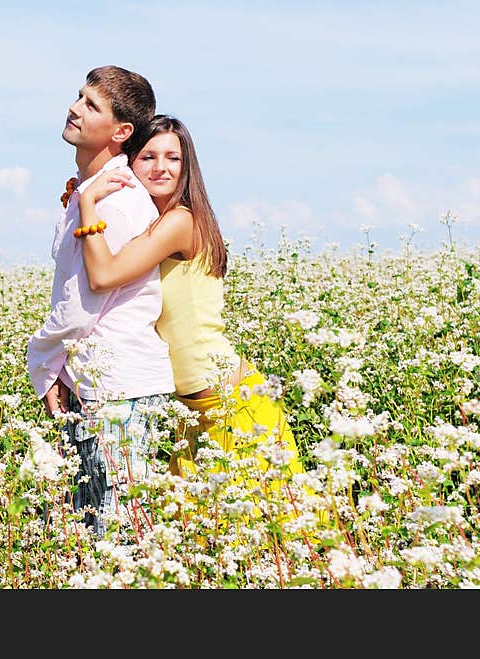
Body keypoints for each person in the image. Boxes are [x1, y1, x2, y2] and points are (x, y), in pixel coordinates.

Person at [75, 114, 311, 528]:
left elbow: (103, 275)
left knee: (271, 532)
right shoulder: (152, 224)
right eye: (147, 156)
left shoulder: (180, 221)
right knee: (202, 538)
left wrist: (87, 204)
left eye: (173, 158)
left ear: (188, 168)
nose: (160, 168)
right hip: (194, 409)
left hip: (234, 406)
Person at [26, 66, 174, 540]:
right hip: (97, 385)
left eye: (92, 105)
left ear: (121, 132)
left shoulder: (114, 200)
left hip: (121, 391)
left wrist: (42, 361)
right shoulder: (91, 194)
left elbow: (82, 303)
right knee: (95, 535)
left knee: (120, 539)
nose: (74, 108)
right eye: (78, 97)